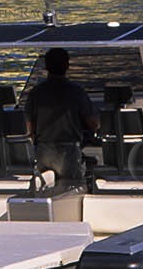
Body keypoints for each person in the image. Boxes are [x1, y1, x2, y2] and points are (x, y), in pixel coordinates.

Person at [22, 47, 98, 190]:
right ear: (67, 65)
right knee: (72, 189)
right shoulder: (76, 91)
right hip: (68, 151)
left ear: (46, 67)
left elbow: (28, 127)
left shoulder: (36, 92)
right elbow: (93, 123)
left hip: (43, 150)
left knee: (44, 188)